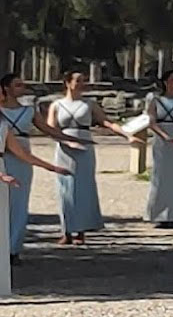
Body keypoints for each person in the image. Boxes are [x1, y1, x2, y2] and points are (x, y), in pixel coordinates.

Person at [2, 73, 83, 262]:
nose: (22, 88)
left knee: (19, 204)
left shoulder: (29, 111)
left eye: (23, 85)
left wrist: (71, 138)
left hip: (22, 159)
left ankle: (13, 249)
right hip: (2, 155)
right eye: (17, 85)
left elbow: (48, 129)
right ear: (6, 88)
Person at [48, 71, 136, 245]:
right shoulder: (56, 105)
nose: (82, 84)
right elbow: (50, 128)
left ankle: (80, 230)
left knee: (83, 187)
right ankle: (66, 230)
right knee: (64, 188)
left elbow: (106, 122)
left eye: (84, 81)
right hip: (65, 149)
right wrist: (65, 141)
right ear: (67, 82)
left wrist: (126, 135)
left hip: (85, 146)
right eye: (78, 80)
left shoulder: (89, 104)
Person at [0, 106, 74, 269]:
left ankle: (11, 250)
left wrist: (51, 167)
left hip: (7, 167)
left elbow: (23, 154)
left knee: (15, 207)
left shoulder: (4, 126)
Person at [143, 70, 173, 229]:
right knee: (162, 176)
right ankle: (160, 214)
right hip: (162, 141)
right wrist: (164, 136)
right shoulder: (155, 99)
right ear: (165, 82)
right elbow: (151, 121)